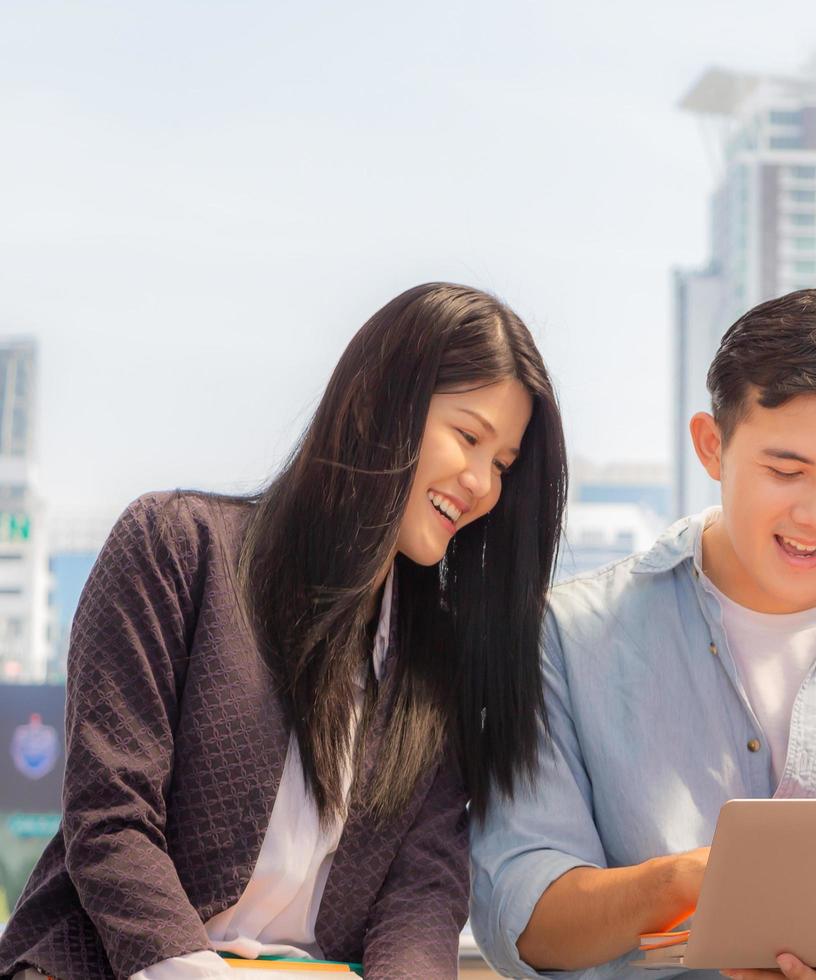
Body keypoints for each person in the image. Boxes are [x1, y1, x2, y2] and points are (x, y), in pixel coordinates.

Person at [0, 283, 568, 980]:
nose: (482, 482)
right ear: (378, 402)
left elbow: (424, 892)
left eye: (503, 464)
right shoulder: (177, 549)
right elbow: (110, 817)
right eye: (469, 437)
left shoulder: (438, 662)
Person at [470, 288, 816, 980]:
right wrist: (685, 883)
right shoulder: (565, 637)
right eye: (785, 471)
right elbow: (517, 917)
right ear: (712, 446)